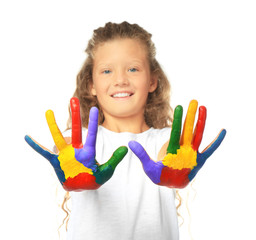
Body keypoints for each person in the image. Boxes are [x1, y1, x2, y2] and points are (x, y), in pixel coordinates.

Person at [25, 21, 226, 240]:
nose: (120, 80)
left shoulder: (167, 140)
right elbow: (64, 150)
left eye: (132, 69)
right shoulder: (81, 143)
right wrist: (71, 167)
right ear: (91, 84)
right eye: (107, 71)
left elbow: (168, 154)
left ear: (152, 81)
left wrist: (174, 167)